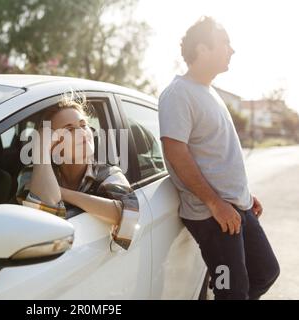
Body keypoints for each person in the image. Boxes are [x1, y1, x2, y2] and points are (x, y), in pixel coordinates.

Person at [158, 16, 279, 299]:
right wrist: (215, 202)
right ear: (201, 49)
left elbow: (216, 153)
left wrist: (244, 195)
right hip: (213, 216)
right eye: (225, 43)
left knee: (266, 272)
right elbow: (175, 151)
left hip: (237, 206)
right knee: (231, 293)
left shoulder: (209, 92)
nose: (232, 50)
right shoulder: (178, 94)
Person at [16, 93, 139, 250]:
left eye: (83, 125)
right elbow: (40, 217)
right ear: (52, 143)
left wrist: (63, 193)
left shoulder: (107, 173)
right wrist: (41, 152)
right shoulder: (31, 175)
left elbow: (128, 213)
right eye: (69, 129)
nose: (82, 132)